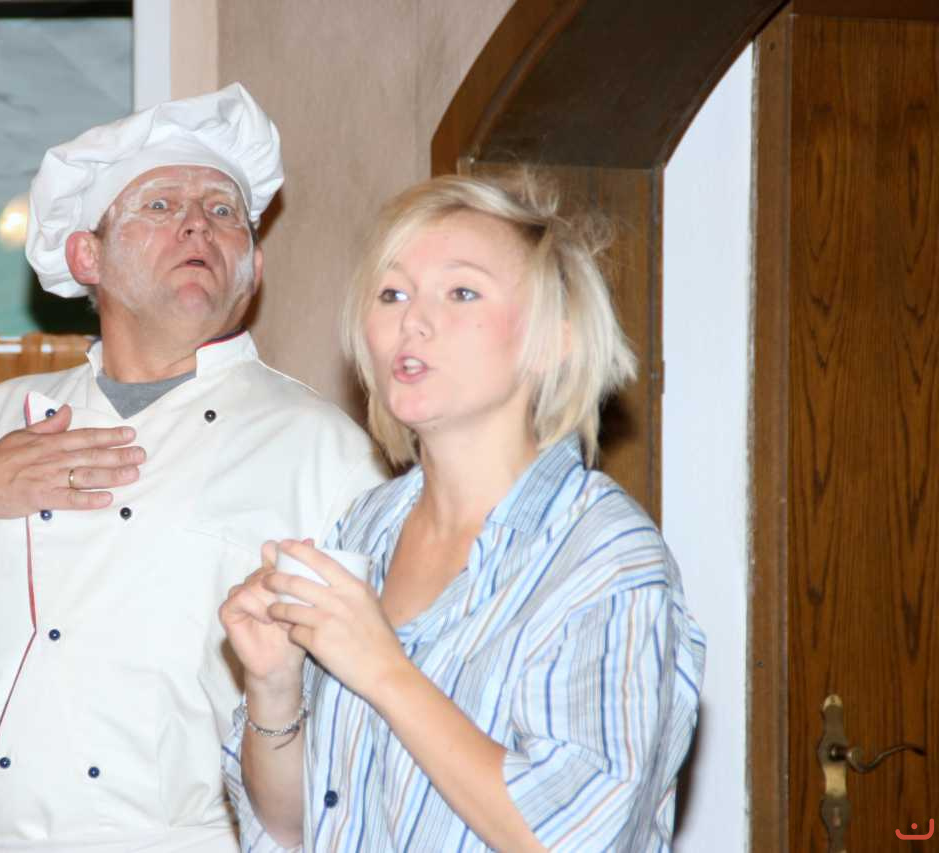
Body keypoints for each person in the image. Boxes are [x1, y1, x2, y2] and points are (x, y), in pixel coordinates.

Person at [0, 84, 384, 851]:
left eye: (223, 211)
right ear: (86, 256)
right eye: (160, 205)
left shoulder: (325, 450)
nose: (197, 223)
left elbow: (376, 713)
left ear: (253, 266)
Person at [219, 173, 706, 851]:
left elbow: (572, 836)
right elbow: (294, 825)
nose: (412, 321)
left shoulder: (605, 559)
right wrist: (273, 685)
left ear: (553, 340)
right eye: (392, 294)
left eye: (462, 292)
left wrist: (383, 669)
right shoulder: (365, 529)